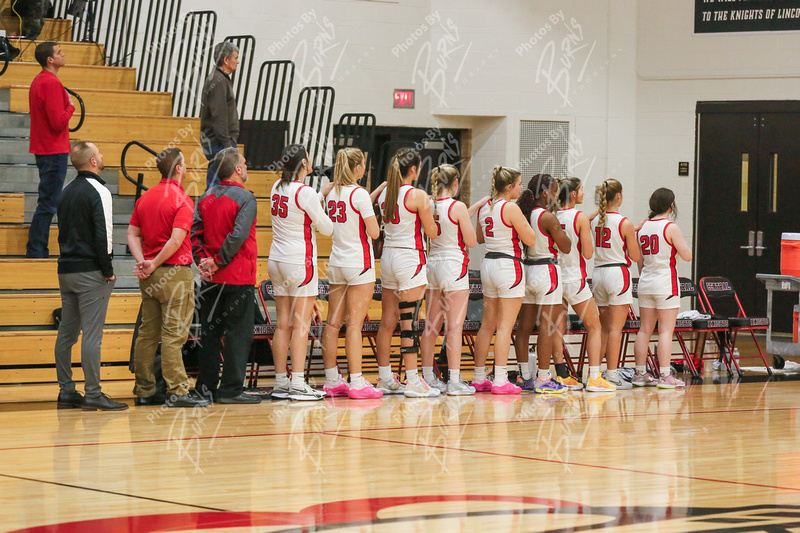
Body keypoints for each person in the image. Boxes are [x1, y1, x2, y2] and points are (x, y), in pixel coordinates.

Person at [127, 147, 208, 408]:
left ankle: (144, 390)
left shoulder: (145, 198)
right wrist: (153, 263)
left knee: (147, 334)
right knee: (174, 335)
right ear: (178, 169)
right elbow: (176, 240)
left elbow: (132, 234)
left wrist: (143, 262)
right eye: (184, 164)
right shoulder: (182, 199)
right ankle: (178, 391)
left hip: (149, 276)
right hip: (174, 273)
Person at [54, 142, 127, 411]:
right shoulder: (100, 191)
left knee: (67, 334)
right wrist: (108, 271)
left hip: (66, 270)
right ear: (93, 162)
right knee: (92, 336)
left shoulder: (65, 192)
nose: (103, 156)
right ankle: (93, 393)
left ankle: (66, 391)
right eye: (100, 153)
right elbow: (103, 235)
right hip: (90, 273)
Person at [191, 147, 261, 404]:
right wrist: (218, 262)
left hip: (210, 279)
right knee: (238, 335)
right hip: (237, 277)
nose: (246, 165)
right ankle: (231, 389)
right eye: (244, 162)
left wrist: (204, 262)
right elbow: (238, 236)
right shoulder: (246, 198)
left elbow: (194, 233)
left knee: (210, 334)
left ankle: (206, 388)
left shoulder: (205, 197)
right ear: (237, 170)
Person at [268, 144, 334, 401]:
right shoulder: (305, 192)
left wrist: (318, 196)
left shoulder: (276, 186)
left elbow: (297, 206)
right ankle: (297, 382)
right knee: (301, 323)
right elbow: (327, 228)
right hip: (300, 262)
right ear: (304, 164)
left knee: (282, 322)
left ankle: (281, 381)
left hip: (277, 260)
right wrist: (321, 201)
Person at [319, 148, 384, 399]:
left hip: (337, 262)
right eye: (363, 165)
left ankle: (331, 379)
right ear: (357, 168)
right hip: (360, 263)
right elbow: (375, 233)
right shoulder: (360, 195)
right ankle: (357, 382)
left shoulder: (333, 192)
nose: (365, 168)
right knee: (355, 325)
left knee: (333, 323)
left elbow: (327, 197)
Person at [375, 148, 440, 398]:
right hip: (409, 259)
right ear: (413, 169)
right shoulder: (418, 195)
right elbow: (432, 232)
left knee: (387, 321)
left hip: (389, 258)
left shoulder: (385, 195)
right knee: (409, 323)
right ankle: (413, 380)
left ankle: (384, 377)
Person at [419, 165, 487, 396]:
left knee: (431, 326)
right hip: (453, 267)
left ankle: (428, 376)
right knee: (455, 327)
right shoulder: (457, 206)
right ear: (455, 183)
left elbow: (447, 222)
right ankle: (455, 380)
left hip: (433, 266)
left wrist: (474, 207)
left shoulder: (428, 203)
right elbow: (470, 241)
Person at [472, 166, 537, 395]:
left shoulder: (485, 208)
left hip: (488, 264)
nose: (521, 188)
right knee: (504, 326)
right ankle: (500, 379)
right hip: (508, 265)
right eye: (519, 184)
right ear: (509, 186)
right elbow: (530, 238)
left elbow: (480, 238)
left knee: (487, 324)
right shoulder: (510, 208)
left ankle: (479, 377)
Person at [514, 174, 572, 394]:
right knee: (547, 327)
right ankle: (544, 377)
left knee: (525, 327)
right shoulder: (548, 217)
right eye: (555, 191)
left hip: (526, 270)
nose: (557, 195)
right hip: (547, 270)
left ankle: (525, 376)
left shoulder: (522, 213)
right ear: (546, 192)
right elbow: (565, 247)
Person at [557, 178, 616, 392]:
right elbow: (588, 253)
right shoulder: (579, 218)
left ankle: (561, 376)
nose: (583, 193)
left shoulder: (551, 214)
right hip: (574, 279)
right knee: (595, 327)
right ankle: (593, 377)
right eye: (581, 189)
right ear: (573, 194)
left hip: (555, 279)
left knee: (557, 328)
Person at [633, 188, 692, 389]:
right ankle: (665, 375)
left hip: (646, 282)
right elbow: (687, 256)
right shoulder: (670, 227)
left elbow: (639, 260)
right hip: (665, 283)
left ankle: (640, 373)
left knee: (644, 330)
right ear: (671, 205)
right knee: (666, 331)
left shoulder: (642, 227)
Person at [590, 179, 641, 390]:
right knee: (615, 330)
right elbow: (635, 255)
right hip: (617, 274)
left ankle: (596, 374)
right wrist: (633, 234)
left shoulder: (594, 221)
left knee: (602, 329)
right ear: (618, 196)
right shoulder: (625, 223)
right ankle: (612, 375)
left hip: (599, 273)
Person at [26, 41, 75, 258]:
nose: (63, 54)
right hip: (53, 149)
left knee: (47, 202)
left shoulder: (38, 81)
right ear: (50, 60)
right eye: (59, 52)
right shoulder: (51, 83)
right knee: (48, 203)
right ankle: (36, 250)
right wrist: (71, 106)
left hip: (44, 148)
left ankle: (37, 249)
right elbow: (58, 121)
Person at [200, 41, 240, 188]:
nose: (238, 61)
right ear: (226, 60)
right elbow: (219, 115)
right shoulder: (219, 81)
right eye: (235, 57)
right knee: (217, 185)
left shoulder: (218, 79)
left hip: (219, 141)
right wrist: (227, 144)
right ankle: (209, 210)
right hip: (219, 143)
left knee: (220, 185)